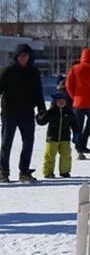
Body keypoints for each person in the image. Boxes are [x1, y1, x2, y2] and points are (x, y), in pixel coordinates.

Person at [0, 44, 46, 183]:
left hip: (27, 112)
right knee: (6, 143)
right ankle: (3, 172)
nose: (23, 58)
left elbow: (38, 92)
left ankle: (24, 171)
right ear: (16, 56)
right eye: (21, 56)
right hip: (10, 112)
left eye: (26, 55)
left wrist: (41, 108)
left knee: (28, 142)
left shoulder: (34, 72)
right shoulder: (8, 71)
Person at [36, 91, 79, 178]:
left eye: (63, 100)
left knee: (66, 155)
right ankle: (48, 172)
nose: (61, 102)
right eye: (59, 101)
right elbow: (42, 121)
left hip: (65, 138)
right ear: (55, 102)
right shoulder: (51, 111)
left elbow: (74, 124)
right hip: (52, 138)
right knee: (49, 156)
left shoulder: (69, 112)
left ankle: (65, 171)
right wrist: (39, 116)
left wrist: (76, 133)